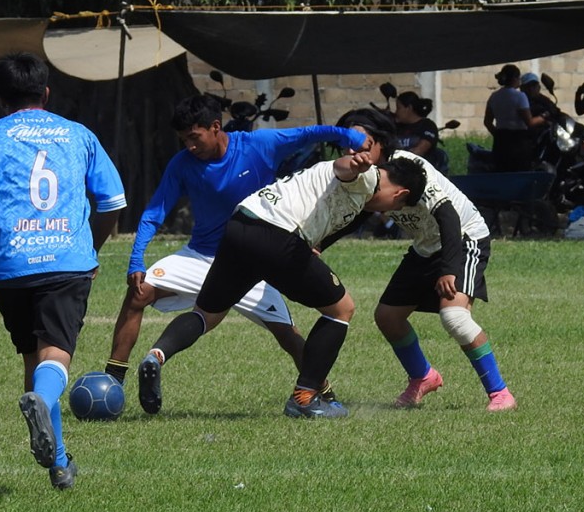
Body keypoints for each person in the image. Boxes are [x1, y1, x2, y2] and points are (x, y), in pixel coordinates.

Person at [136, 109, 427, 419]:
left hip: (240, 224)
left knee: (207, 314)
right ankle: (305, 397)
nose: (387, 211)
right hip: (276, 235)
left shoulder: (353, 190)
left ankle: (156, 355)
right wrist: (357, 164)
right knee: (342, 309)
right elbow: (343, 168)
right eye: (396, 205)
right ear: (400, 194)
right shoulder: (368, 178)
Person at [104, 94, 370, 404]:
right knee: (139, 292)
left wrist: (350, 136)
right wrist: (136, 259)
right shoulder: (182, 163)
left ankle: (322, 393)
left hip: (254, 261)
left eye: (194, 137)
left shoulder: (259, 145)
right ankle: (112, 381)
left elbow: (309, 133)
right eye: (183, 139)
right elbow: (155, 212)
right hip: (201, 257)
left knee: (287, 334)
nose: (189, 146)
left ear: (216, 127)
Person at [0, 52, 126, 490]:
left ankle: (60, 465)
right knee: (55, 357)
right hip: (66, 262)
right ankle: (43, 405)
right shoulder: (79, 135)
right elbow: (113, 203)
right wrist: (90, 247)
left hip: (10, 265)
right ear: (46, 92)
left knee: (34, 357)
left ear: (0, 98)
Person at [372, 149, 517, 412]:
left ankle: (501, 394)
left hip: (463, 239)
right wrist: (321, 243)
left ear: (379, 144)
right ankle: (423, 377)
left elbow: (449, 218)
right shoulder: (363, 176)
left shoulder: (409, 169)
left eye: (361, 144)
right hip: (426, 246)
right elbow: (358, 212)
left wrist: (449, 270)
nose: (353, 152)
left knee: (455, 317)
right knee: (388, 317)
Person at [484, 64, 545, 172]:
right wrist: (543, 117)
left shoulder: (494, 96)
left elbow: (487, 122)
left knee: (502, 173)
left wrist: (498, 135)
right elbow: (530, 122)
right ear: (515, 78)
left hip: (500, 142)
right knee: (520, 174)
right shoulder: (520, 96)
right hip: (519, 143)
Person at [394, 91, 446, 175]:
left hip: (421, 172)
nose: (396, 112)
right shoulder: (396, 127)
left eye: (399, 108)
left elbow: (419, 151)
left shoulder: (427, 126)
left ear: (409, 108)